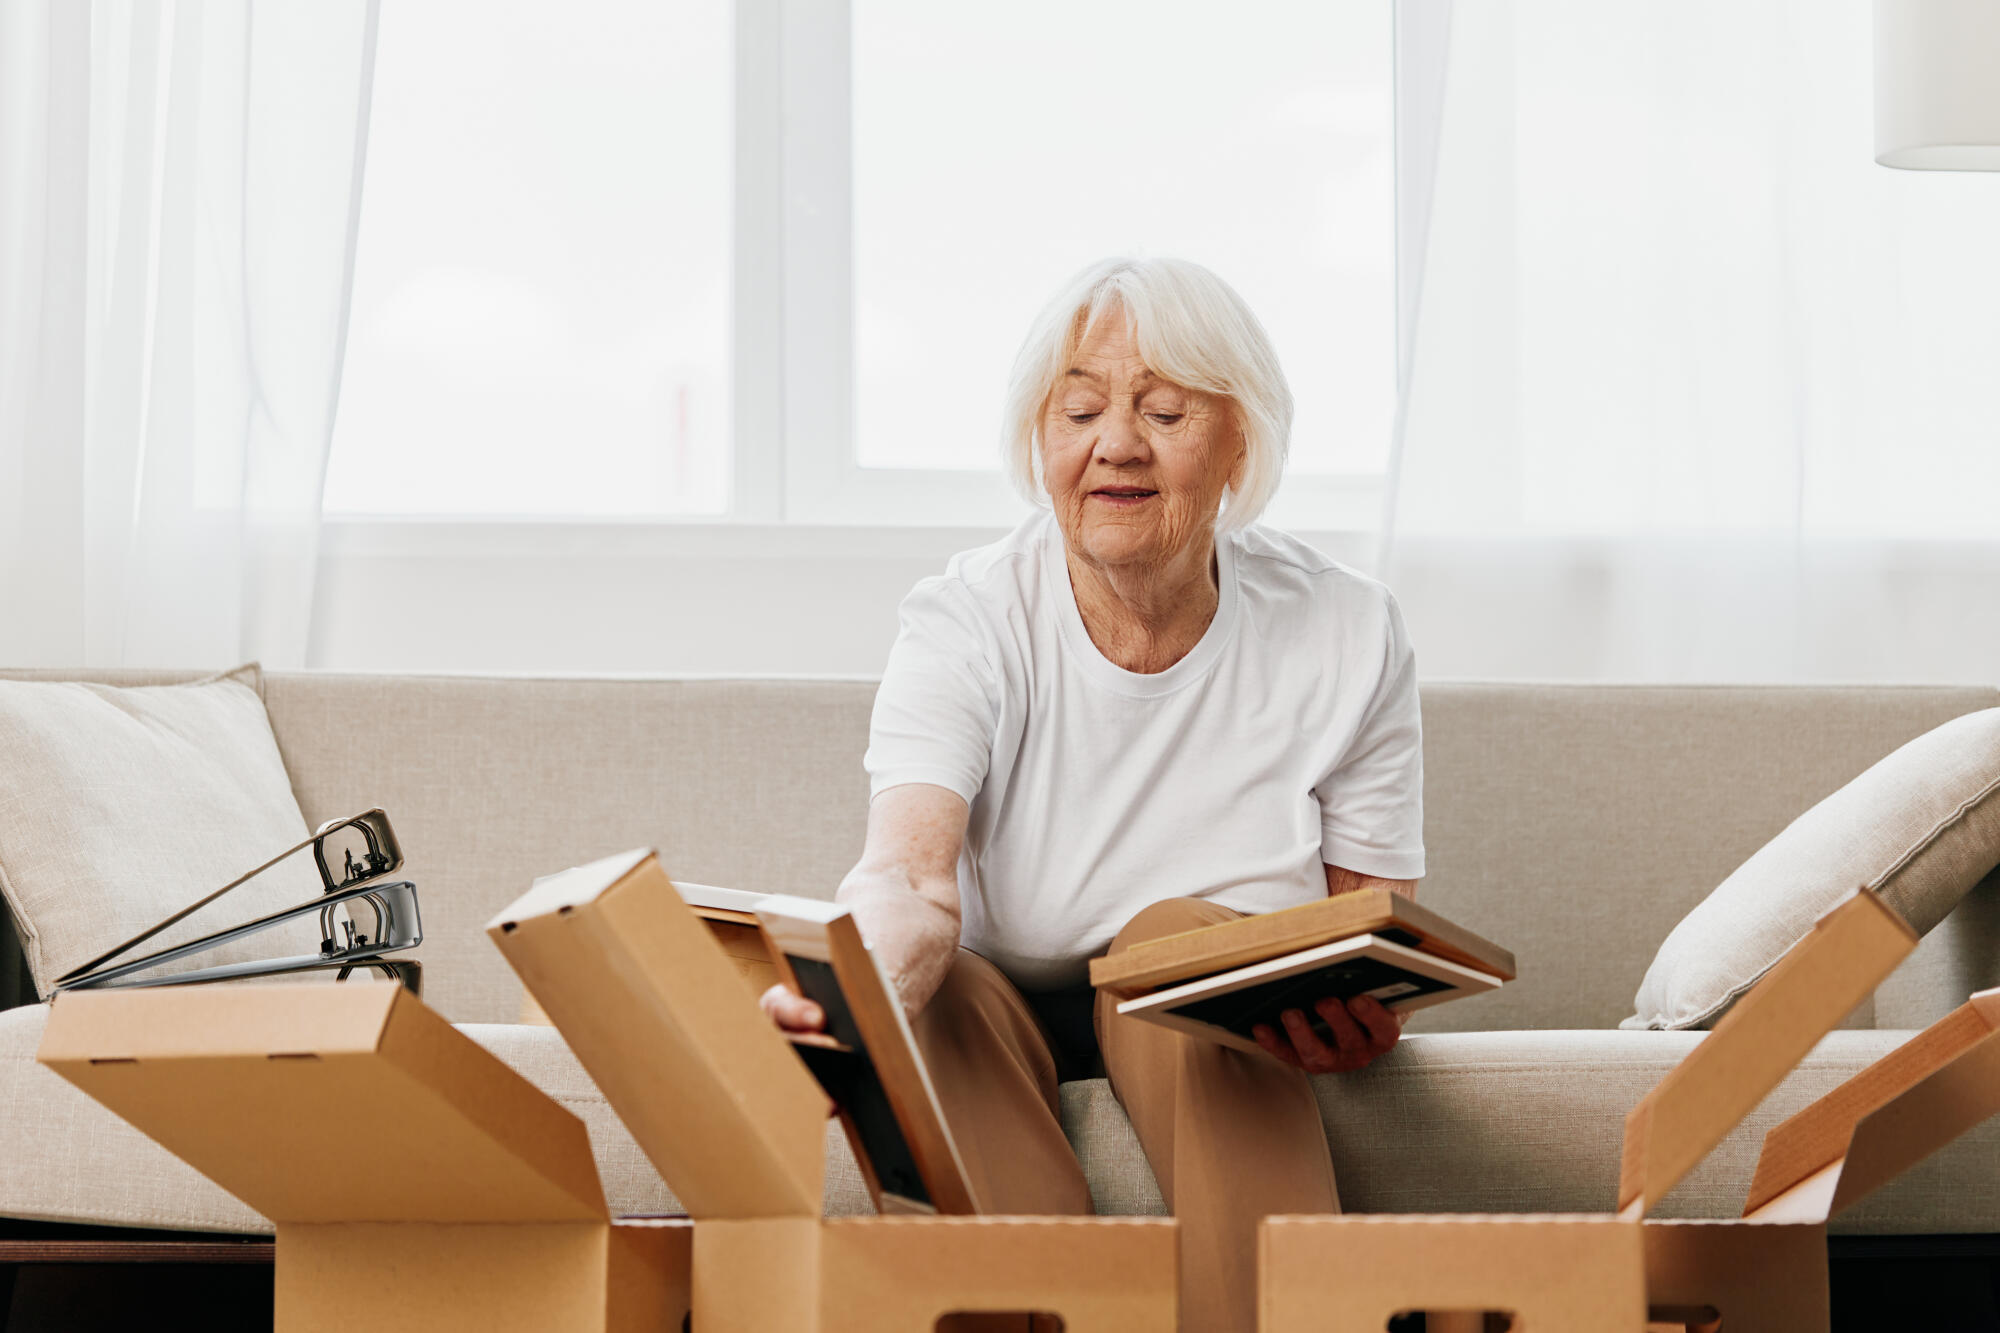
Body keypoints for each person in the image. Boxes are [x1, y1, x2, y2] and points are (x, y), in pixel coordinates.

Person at [762, 256, 1425, 1333]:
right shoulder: (966, 617)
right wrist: (861, 987)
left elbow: (1369, 918)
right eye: (1079, 408)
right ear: (1042, 441)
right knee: (936, 1003)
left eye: (1163, 411)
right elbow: (906, 875)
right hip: (994, 988)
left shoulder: (1346, 626)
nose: (1114, 442)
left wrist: (1356, 1006)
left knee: (1172, 947)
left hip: (1202, 1000)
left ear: (1239, 445)